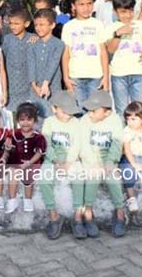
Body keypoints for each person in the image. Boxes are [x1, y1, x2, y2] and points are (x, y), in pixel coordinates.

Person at [69, 90, 126, 238]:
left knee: (113, 178)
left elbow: (117, 144)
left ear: (107, 112)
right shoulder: (85, 120)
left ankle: (120, 213)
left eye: (94, 111)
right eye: (89, 110)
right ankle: (88, 212)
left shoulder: (115, 120)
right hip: (90, 159)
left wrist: (110, 162)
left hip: (108, 159)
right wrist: (93, 163)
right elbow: (83, 144)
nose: (90, 113)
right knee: (92, 177)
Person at [39, 91, 81, 240]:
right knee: (44, 178)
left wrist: (68, 163)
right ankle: (54, 216)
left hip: (71, 159)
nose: (68, 115)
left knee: (79, 177)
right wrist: (56, 161)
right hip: (53, 159)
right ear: (54, 108)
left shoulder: (75, 122)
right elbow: (46, 144)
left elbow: (77, 144)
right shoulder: (49, 122)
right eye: (64, 112)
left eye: (70, 112)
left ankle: (78, 216)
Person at [105, 0, 142, 115]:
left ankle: (139, 128)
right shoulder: (111, 28)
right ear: (115, 11)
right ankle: (123, 128)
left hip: (138, 73)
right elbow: (110, 50)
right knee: (121, 109)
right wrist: (118, 34)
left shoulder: (141, 25)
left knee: (139, 108)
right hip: (118, 74)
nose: (128, 15)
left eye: (130, 11)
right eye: (123, 12)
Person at [62, 0, 110, 105]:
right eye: (81, 4)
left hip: (96, 76)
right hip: (75, 77)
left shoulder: (98, 24)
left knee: (96, 109)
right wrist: (66, 77)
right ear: (73, 6)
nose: (86, 8)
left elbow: (103, 52)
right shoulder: (68, 26)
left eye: (89, 3)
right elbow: (66, 54)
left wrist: (105, 77)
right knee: (79, 109)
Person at [5, 103, 46, 214]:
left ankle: (28, 199)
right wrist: (7, 145)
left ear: (34, 121)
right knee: (13, 172)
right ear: (18, 121)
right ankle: (12, 199)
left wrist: (29, 163)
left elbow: (39, 153)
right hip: (17, 162)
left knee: (29, 176)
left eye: (29, 120)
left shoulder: (38, 136)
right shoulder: (14, 134)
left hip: (32, 163)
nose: (25, 123)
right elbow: (8, 144)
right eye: (22, 120)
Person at [27, 9, 64, 118]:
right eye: (36, 25)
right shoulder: (32, 43)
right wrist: (34, 85)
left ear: (52, 25)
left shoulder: (58, 44)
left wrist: (46, 83)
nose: (38, 28)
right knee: (36, 116)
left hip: (53, 86)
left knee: (53, 115)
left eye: (42, 25)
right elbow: (31, 64)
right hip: (36, 87)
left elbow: (54, 63)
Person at [2, 6, 34, 112]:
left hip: (28, 85)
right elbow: (3, 59)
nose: (13, 26)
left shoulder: (33, 39)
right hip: (11, 84)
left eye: (16, 24)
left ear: (26, 24)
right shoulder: (7, 39)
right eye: (11, 23)